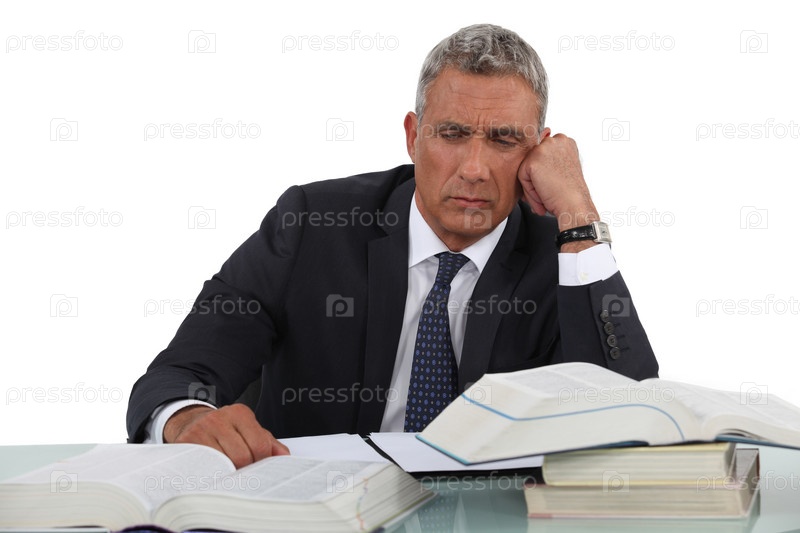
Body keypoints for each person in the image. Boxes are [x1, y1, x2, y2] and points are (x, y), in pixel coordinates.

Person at [127, 23, 658, 468]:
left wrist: (579, 213)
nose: (474, 169)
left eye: (503, 139)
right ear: (412, 136)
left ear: (538, 152)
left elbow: (631, 416)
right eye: (452, 134)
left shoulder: (562, 256)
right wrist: (186, 419)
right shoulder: (311, 224)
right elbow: (181, 371)